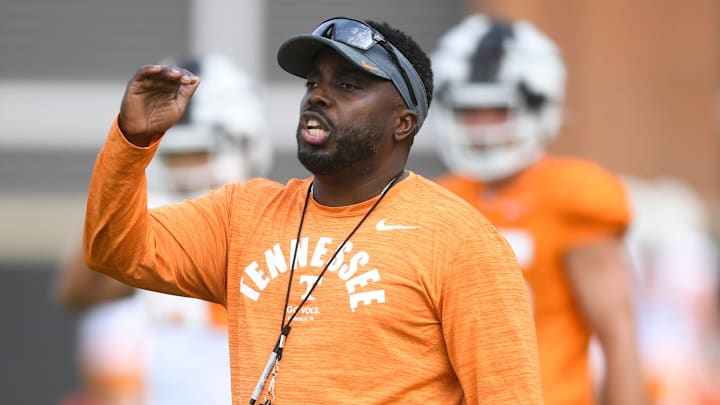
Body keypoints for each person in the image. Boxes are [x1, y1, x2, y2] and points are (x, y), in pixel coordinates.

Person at [82, 16, 544, 404]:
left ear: (403, 123)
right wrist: (133, 141)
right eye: (313, 82)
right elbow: (114, 250)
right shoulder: (241, 215)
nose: (318, 96)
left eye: (347, 85)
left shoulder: (461, 240)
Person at [430, 14, 646, 405]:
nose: (482, 126)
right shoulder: (439, 198)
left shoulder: (575, 194)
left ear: (538, 103)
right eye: (469, 110)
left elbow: (618, 336)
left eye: (497, 109)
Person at [57, 53, 270, 405]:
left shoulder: (274, 224)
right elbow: (76, 292)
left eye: (197, 154)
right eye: (172, 157)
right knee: (113, 323)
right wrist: (120, 212)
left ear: (242, 144)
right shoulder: (155, 223)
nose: (183, 172)